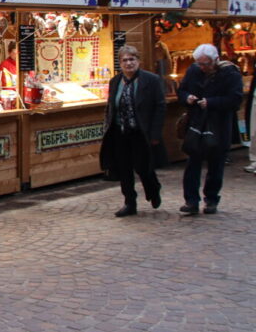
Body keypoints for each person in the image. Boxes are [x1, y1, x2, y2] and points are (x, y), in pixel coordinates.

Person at [99, 45, 167, 217]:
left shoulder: (151, 80)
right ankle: (130, 202)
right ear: (120, 63)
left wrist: (155, 133)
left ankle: (153, 188)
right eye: (125, 60)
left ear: (138, 61)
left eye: (132, 59)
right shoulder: (115, 81)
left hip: (140, 131)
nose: (128, 63)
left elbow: (160, 106)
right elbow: (111, 106)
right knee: (124, 168)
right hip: (120, 131)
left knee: (143, 167)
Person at [177, 43, 243, 215]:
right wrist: (187, 98)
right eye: (199, 63)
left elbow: (235, 100)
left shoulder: (230, 73)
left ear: (215, 60)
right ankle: (191, 201)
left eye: (205, 64)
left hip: (218, 124)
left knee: (216, 163)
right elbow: (182, 90)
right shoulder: (194, 70)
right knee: (193, 162)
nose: (202, 67)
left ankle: (211, 199)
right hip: (197, 123)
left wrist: (211, 102)